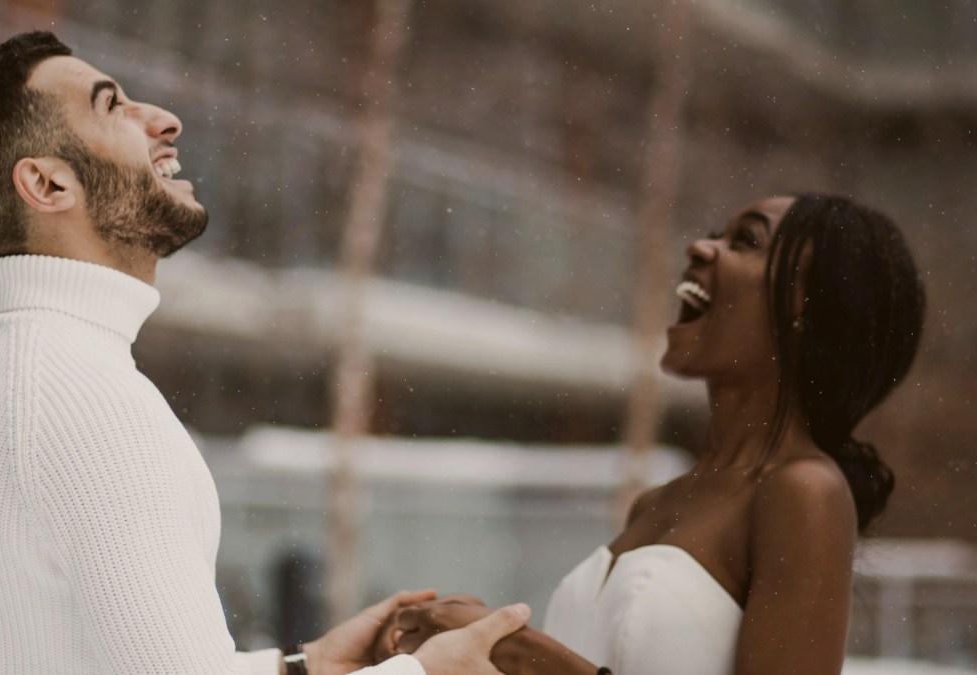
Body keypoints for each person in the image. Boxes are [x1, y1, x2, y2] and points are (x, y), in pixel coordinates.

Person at [0, 31, 529, 675]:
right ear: (49, 184)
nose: (165, 120)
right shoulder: (82, 398)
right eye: (112, 107)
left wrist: (301, 668)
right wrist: (424, 672)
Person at [380, 194, 926, 675]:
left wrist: (519, 651)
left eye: (746, 240)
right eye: (716, 234)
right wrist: (468, 646)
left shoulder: (804, 493)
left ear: (806, 305)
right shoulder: (655, 503)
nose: (700, 248)